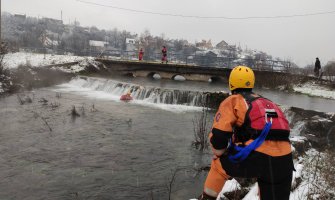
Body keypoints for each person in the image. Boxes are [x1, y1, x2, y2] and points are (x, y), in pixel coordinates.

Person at [199, 66, 294, 200]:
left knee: (218, 165)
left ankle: (207, 198)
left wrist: (221, 152)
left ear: (231, 84)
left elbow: (219, 139)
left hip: (258, 158)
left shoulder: (233, 100)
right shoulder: (270, 103)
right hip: (285, 160)